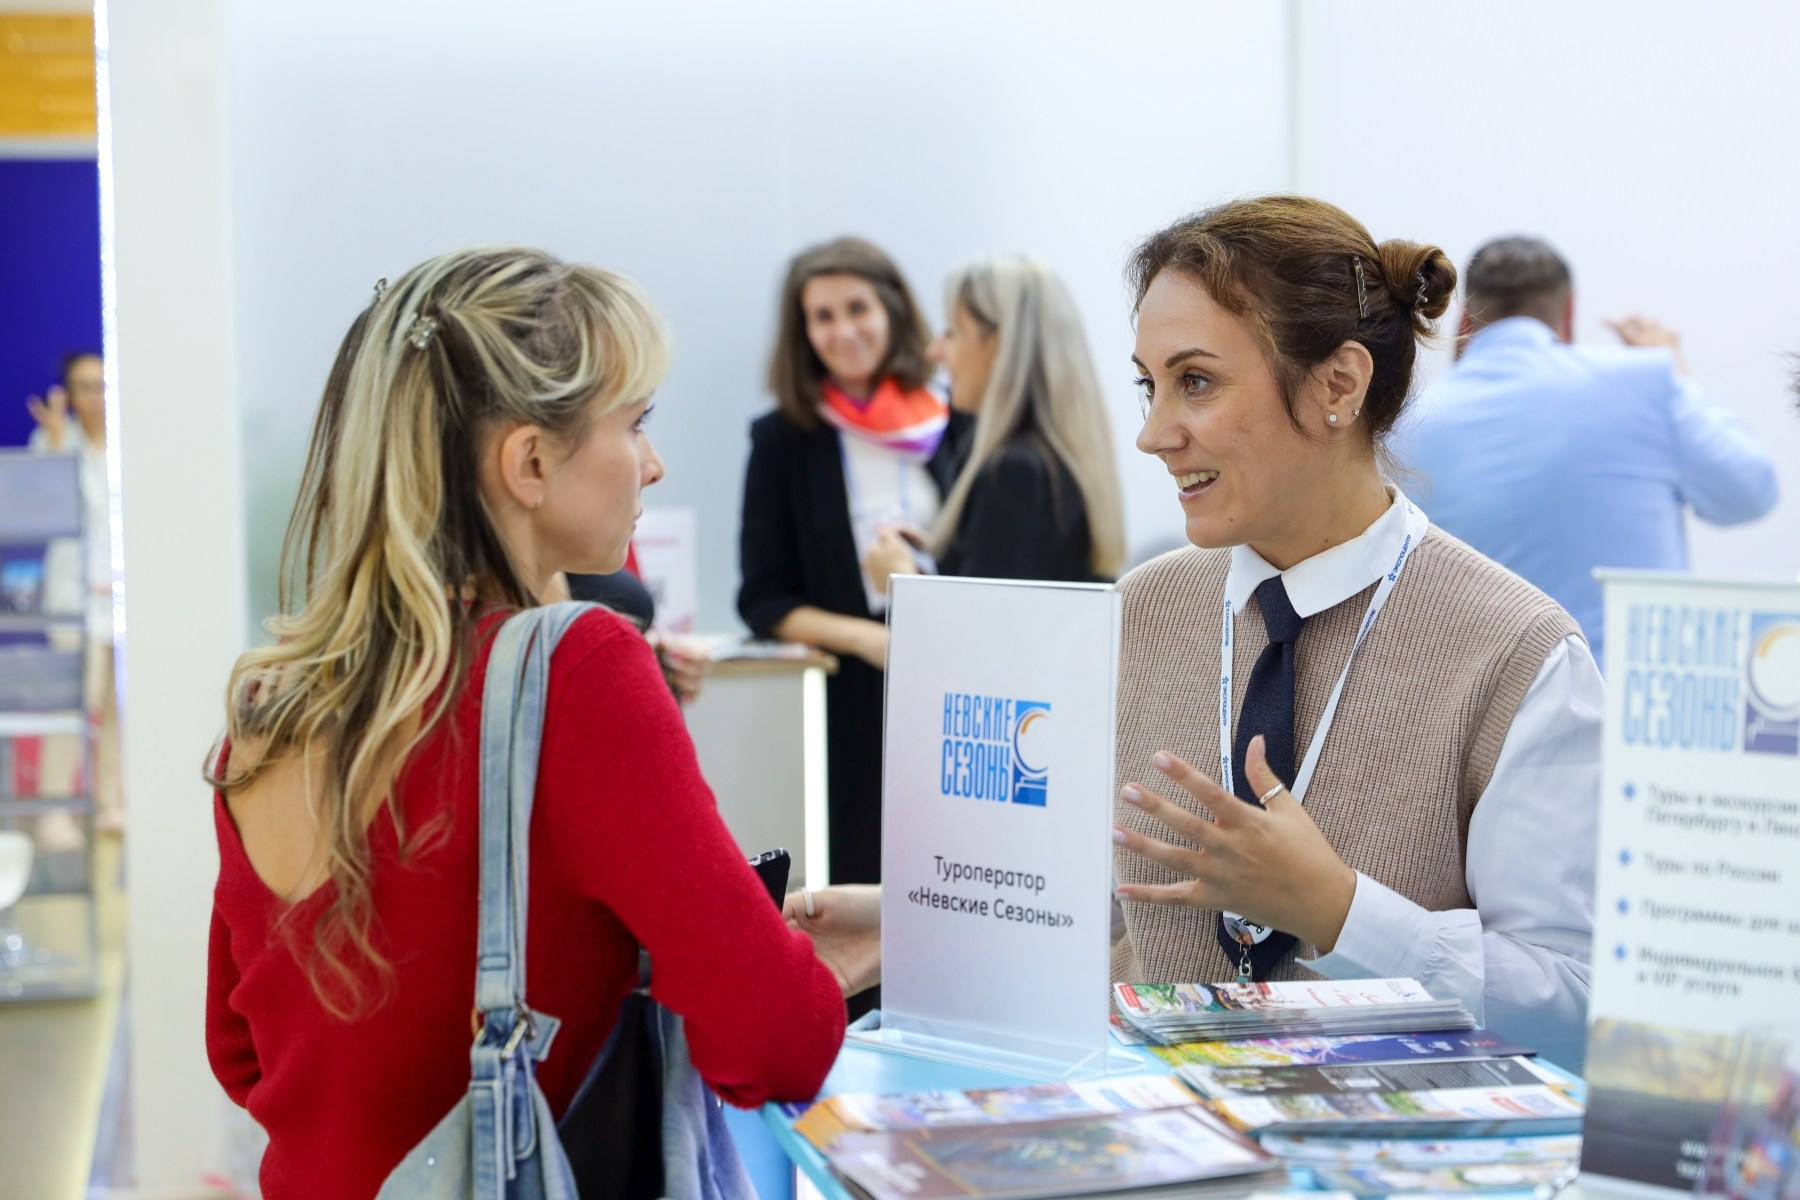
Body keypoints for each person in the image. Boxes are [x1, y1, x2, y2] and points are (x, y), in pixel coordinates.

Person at [789, 198, 1603, 1073]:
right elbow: (1122, 894)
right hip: (1135, 1149)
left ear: (1339, 384)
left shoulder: (1516, 651)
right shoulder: (1143, 609)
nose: (1152, 433)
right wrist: (914, 919)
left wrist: (1338, 910)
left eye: (1197, 382)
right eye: (1150, 384)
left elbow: (1577, 1005)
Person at [205, 249, 845, 1200]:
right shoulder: (580, 673)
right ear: (530, 461)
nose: (654, 463)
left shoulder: (269, 709)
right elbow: (776, 1042)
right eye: (636, 422)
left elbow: (244, 1054)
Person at [1393, 235, 1779, 664]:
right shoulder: (1646, 384)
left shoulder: (1406, 425)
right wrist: (1677, 374)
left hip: (1486, 716)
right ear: (1569, 313)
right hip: (1627, 716)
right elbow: (1752, 492)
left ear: (1465, 319)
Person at [737, 236, 970, 886]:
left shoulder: (955, 419)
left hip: (957, 677)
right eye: (823, 316)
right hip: (854, 697)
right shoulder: (783, 438)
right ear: (802, 331)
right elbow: (763, 597)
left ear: (892, 308)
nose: (843, 330)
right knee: (865, 876)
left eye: (857, 308)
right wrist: (874, 641)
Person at [863, 254, 1127, 591]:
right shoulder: (1045, 460)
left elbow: (983, 637)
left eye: (951, 331)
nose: (934, 351)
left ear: (998, 347)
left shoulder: (1014, 472)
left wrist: (900, 581)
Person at [27, 350, 120, 835]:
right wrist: (61, 443)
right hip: (73, 595)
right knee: (75, 703)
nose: (95, 396)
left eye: (102, 384)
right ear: (68, 392)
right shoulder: (50, 439)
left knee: (118, 705)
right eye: (84, 386)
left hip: (120, 597)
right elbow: (42, 509)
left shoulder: (128, 441)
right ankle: (56, 808)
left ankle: (111, 804)